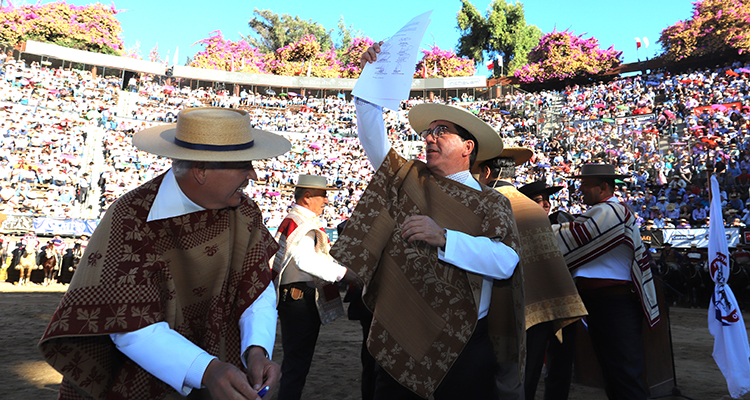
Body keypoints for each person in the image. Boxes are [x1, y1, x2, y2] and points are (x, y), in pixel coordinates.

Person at [39, 107, 292, 400]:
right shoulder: (130, 218)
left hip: (219, 374)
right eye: (243, 165)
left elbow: (256, 288)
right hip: (136, 381)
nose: (254, 175)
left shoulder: (245, 213)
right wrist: (207, 370)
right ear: (201, 170)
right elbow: (129, 325)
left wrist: (256, 350)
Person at [330, 42, 523, 400]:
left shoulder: (490, 201)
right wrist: (371, 79)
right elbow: (373, 139)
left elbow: (506, 261)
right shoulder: (410, 178)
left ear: (468, 147)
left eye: (441, 131)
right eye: (428, 132)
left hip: (464, 346)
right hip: (400, 334)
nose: (429, 137)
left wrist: (445, 237)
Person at [473, 150, 587, 400]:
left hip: (501, 312)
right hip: (541, 309)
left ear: (487, 172)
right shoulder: (535, 209)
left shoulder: (484, 203)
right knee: (528, 380)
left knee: (498, 382)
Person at [552, 164, 660, 400]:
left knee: (623, 370)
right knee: (614, 370)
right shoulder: (603, 212)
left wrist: (544, 228)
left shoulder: (611, 211)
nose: (581, 190)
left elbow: (575, 235)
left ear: (603, 187)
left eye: (585, 186)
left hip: (614, 302)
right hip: (603, 302)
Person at [273, 174, 359, 400]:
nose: (326, 200)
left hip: (293, 295)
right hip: (299, 297)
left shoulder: (296, 219)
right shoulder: (302, 223)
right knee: (297, 362)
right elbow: (305, 261)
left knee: (295, 360)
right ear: (308, 197)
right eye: (323, 195)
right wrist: (344, 274)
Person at [517, 180, 587, 400]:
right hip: (534, 307)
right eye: (538, 200)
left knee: (561, 365)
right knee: (530, 368)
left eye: (547, 200)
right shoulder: (518, 227)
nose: (546, 204)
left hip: (563, 302)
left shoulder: (562, 223)